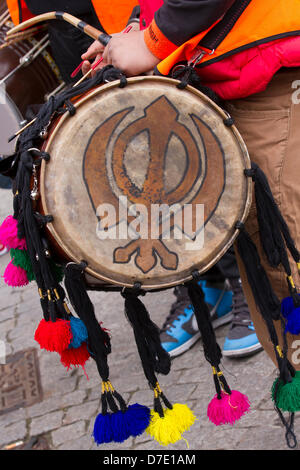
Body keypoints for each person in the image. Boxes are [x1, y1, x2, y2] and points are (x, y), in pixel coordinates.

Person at [81, 0, 300, 376]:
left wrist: (152, 41)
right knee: (271, 262)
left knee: (283, 264)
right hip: (244, 66)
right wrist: (139, 25)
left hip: (265, 69)